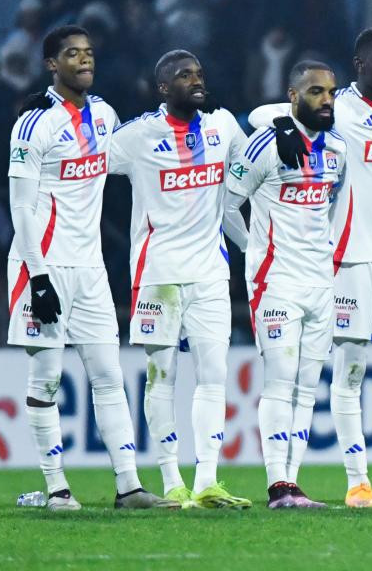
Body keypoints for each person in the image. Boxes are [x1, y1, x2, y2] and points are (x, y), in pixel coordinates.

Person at [249, 28, 372, 507]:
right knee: (351, 372)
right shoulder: (338, 103)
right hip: (348, 261)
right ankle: (358, 482)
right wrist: (281, 124)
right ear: (360, 66)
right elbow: (265, 111)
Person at [7, 25, 174, 511]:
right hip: (42, 266)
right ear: (50, 65)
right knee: (47, 380)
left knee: (109, 374)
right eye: (72, 54)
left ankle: (129, 487)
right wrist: (37, 277)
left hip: (90, 268)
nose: (84, 60)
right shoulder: (33, 124)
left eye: (88, 53)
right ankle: (57, 489)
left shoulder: (105, 115)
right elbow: (21, 207)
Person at [108, 49, 251, 509]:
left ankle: (207, 479)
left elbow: (256, 159)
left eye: (199, 73)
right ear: (163, 88)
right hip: (158, 276)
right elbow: (84, 162)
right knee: (161, 378)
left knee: (214, 375)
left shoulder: (223, 126)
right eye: (183, 75)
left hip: (211, 272)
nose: (195, 80)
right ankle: (172, 481)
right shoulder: (137, 136)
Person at [223, 60, 345, 509]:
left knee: (307, 386)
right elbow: (226, 206)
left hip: (320, 281)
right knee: (280, 380)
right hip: (275, 281)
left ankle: (294, 484)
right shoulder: (265, 145)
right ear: (292, 96)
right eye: (315, 92)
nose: (326, 100)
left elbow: (330, 207)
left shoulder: (338, 149)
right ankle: (277, 483)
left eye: (331, 91)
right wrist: (252, 250)